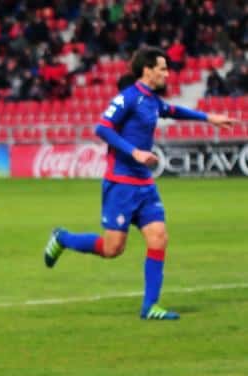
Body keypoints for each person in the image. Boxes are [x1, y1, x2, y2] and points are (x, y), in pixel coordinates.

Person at [43, 47, 235, 320]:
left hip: (144, 184)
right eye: (163, 68)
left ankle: (150, 306)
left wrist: (209, 118)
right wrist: (134, 152)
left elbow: (173, 110)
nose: (167, 74)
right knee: (113, 249)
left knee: (159, 237)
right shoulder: (128, 98)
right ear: (148, 70)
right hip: (120, 183)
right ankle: (62, 238)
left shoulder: (152, 100)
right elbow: (102, 128)